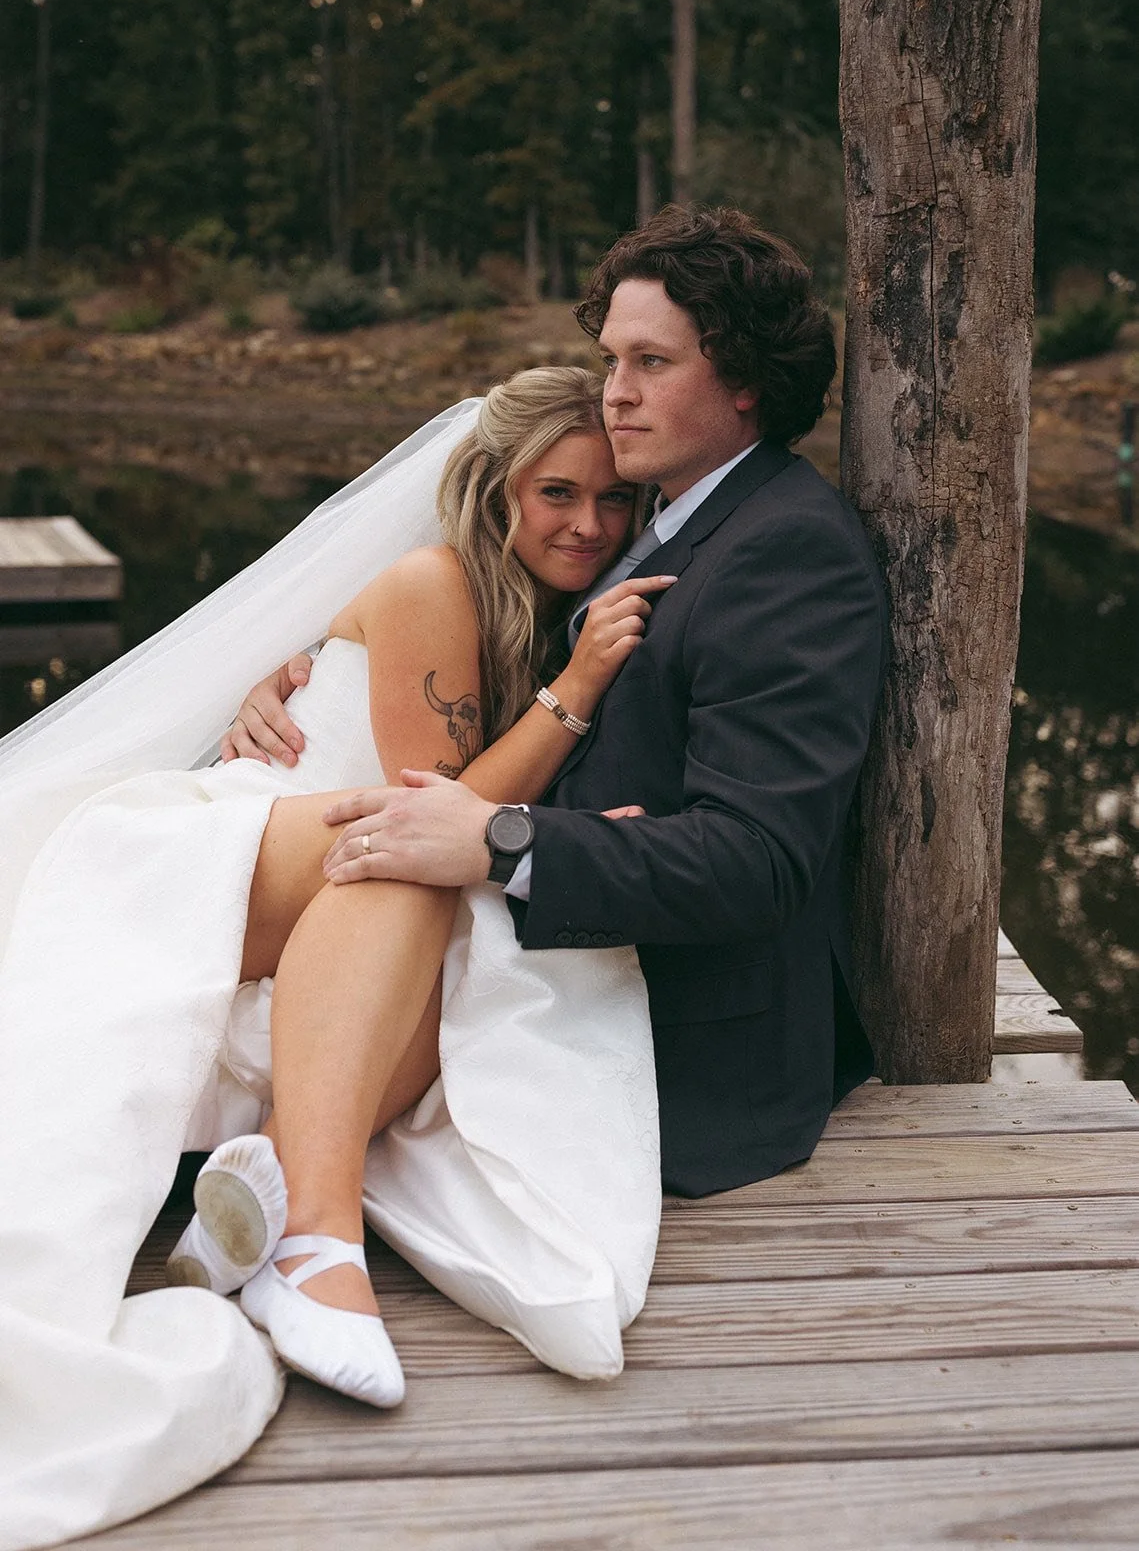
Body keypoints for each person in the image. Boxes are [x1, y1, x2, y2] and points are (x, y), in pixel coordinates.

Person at [0, 368, 667, 1551]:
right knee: (399, 859)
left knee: (420, 1037)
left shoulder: (539, 599)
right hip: (228, 851)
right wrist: (573, 694)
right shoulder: (434, 581)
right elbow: (439, 817)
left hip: (344, 876)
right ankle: (319, 1248)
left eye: (615, 503)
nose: (589, 525)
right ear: (492, 488)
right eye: (557, 493)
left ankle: (249, 1217)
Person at [238, 204, 888, 1199]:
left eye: (649, 364)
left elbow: (757, 858)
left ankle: (284, 1197)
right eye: (610, 359)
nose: (614, 395)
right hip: (543, 941)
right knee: (353, 873)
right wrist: (317, 665)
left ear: (748, 380)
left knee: (371, 862)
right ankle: (283, 1194)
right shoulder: (657, 516)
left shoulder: (786, 550)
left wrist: (503, 840)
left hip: (676, 1032)